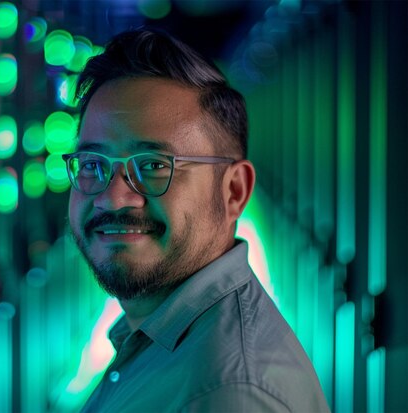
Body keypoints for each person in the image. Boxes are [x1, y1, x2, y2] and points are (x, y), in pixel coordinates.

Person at [63, 28, 330, 412]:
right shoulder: (154, 336)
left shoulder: (232, 394)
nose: (112, 197)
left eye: (153, 165)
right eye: (92, 164)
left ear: (233, 191)